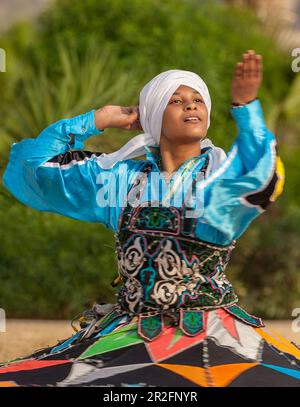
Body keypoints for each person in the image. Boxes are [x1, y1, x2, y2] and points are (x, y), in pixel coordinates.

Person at [0, 49, 299, 387]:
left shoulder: (218, 177)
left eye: (197, 99)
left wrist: (246, 109)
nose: (191, 105)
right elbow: (33, 165)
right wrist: (99, 119)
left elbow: (262, 173)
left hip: (212, 336)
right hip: (131, 331)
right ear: (155, 115)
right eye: (176, 100)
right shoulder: (119, 178)